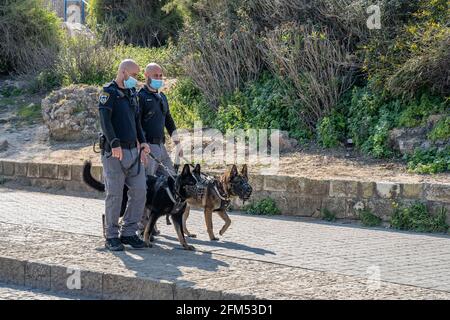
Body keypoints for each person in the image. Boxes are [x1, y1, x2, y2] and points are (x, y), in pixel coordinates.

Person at [98, 59, 150, 251]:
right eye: (135, 75)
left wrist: (143, 142)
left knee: (140, 191)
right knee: (115, 194)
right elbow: (105, 120)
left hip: (133, 151)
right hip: (114, 152)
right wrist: (114, 144)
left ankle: (128, 232)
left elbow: (136, 121)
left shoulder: (132, 94)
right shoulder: (108, 92)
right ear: (124, 73)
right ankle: (111, 236)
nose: (137, 79)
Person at [138, 63, 181, 177]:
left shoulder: (162, 96)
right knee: (147, 181)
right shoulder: (140, 96)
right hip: (148, 147)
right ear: (146, 75)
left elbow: (169, 121)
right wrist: (142, 145)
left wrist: (178, 143)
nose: (158, 78)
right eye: (155, 76)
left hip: (161, 146)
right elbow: (136, 123)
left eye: (160, 76)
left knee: (171, 179)